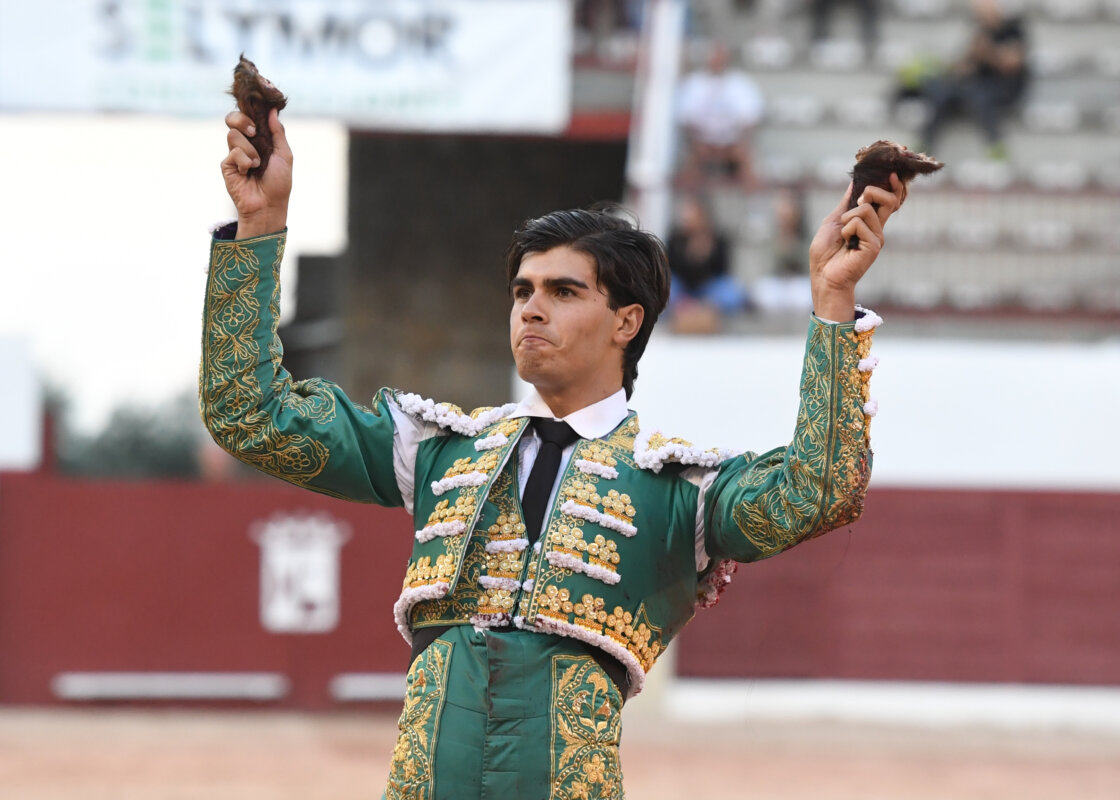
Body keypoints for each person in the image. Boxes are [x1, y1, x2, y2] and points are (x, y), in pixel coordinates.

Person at [204, 105, 903, 798]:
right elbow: (249, 415)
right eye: (523, 291)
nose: (531, 309)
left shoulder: (676, 489)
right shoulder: (439, 450)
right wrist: (260, 225)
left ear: (627, 321)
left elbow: (820, 490)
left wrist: (832, 298)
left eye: (563, 291)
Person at [917, 0, 1029, 159]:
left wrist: (987, 52)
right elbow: (966, 66)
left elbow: (1012, 64)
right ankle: (925, 144)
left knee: (982, 98)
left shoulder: (1013, 30)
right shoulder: (980, 32)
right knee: (940, 91)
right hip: (977, 86)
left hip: (1004, 89)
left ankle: (996, 145)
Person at [674, 44, 764, 190]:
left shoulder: (740, 84)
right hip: (702, 140)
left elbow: (751, 118)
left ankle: (753, 195)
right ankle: (690, 196)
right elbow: (685, 118)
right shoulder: (694, 83)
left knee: (744, 156)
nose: (717, 62)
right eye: (714, 58)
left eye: (721, 58)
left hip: (732, 141)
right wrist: (700, 138)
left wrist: (737, 138)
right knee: (694, 158)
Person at [665, 195, 747, 332]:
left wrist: (707, 257)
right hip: (682, 289)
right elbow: (671, 268)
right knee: (666, 292)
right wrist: (690, 258)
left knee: (732, 293)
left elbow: (723, 270)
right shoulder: (675, 238)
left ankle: (707, 311)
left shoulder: (718, 238)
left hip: (709, 289)